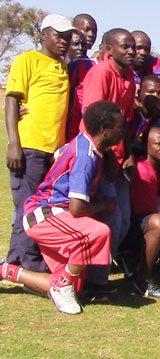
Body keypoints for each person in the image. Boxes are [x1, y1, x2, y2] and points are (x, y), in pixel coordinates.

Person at [0, 101, 124, 314]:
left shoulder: (86, 145)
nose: (123, 131)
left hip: (55, 214)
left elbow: (60, 155)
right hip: (44, 214)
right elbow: (76, 208)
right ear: (105, 130)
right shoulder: (86, 157)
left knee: (71, 285)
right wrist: (105, 204)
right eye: (119, 126)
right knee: (98, 232)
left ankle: (5, 270)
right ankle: (61, 286)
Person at [5, 14, 76, 273]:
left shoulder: (63, 66)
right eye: (59, 35)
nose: (64, 41)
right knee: (27, 209)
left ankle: (13, 266)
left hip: (53, 152)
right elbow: (13, 99)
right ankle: (31, 267)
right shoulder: (27, 60)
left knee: (39, 208)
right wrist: (14, 143)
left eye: (68, 37)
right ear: (43, 35)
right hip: (30, 148)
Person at [80, 28, 137, 289]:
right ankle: (95, 281)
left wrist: (126, 155)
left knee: (123, 219)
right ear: (109, 49)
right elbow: (91, 119)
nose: (131, 51)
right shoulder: (101, 73)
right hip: (100, 158)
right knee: (110, 217)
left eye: (133, 47)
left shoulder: (131, 77)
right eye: (125, 46)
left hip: (119, 158)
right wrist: (109, 158)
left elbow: (124, 122)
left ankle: (98, 275)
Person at [128, 126, 160, 298]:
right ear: (146, 145)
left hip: (142, 223)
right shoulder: (138, 167)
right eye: (159, 144)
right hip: (131, 226)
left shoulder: (156, 170)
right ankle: (143, 279)